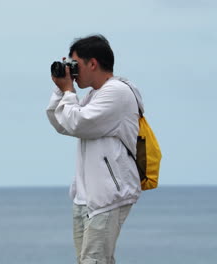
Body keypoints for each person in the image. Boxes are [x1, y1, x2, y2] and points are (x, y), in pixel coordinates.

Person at [46, 34, 145, 264]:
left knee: (93, 261)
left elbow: (77, 123)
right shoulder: (93, 95)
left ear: (93, 63)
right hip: (85, 197)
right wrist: (60, 91)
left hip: (108, 196)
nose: (73, 72)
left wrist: (69, 91)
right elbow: (61, 123)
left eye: (75, 65)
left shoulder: (117, 92)